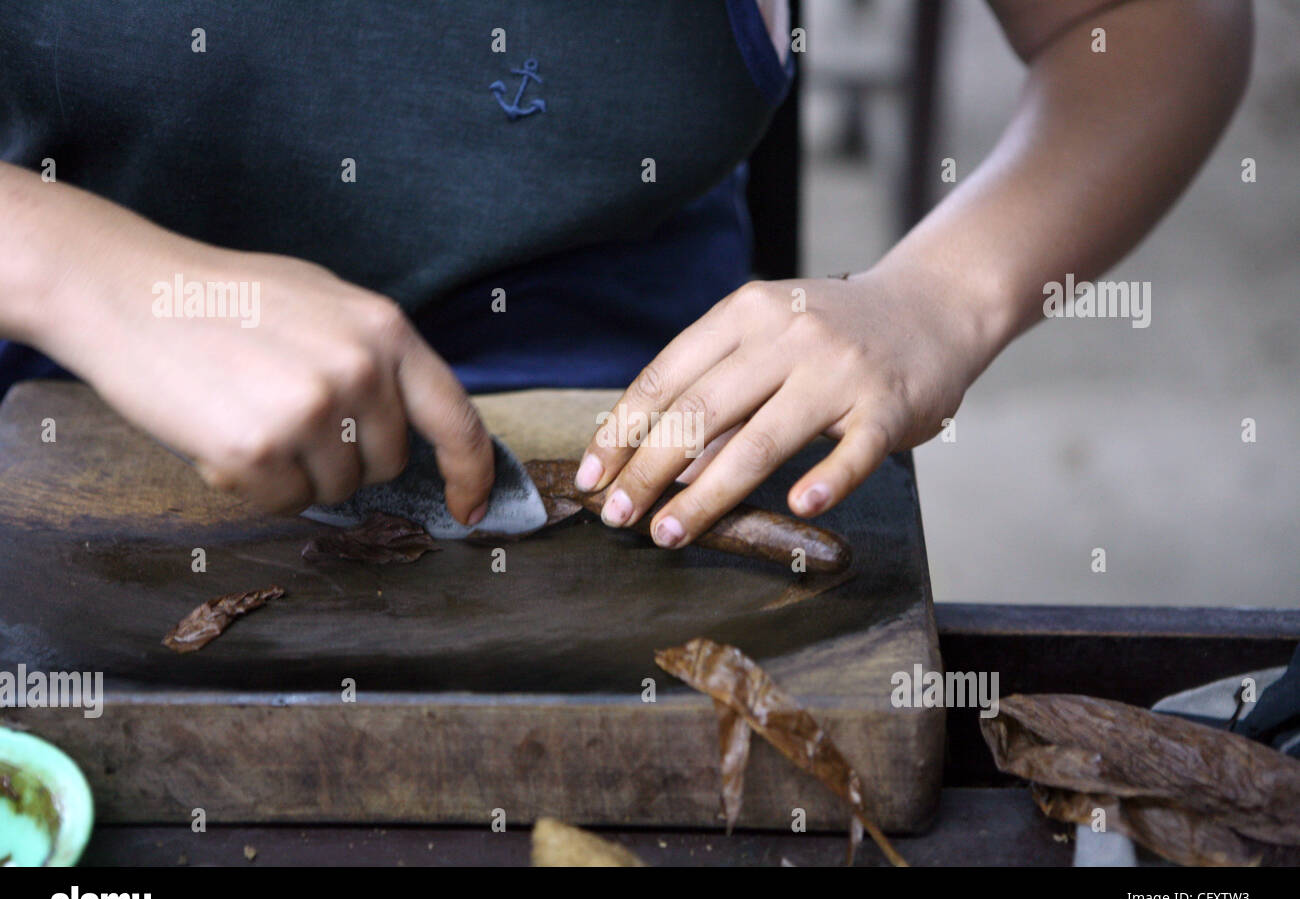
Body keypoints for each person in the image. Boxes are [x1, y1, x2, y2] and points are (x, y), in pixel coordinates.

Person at [0, 1, 1251, 548]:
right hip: (65, 463)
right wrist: (80, 271)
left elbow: (1149, 19)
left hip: (653, 465)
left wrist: (941, 293)